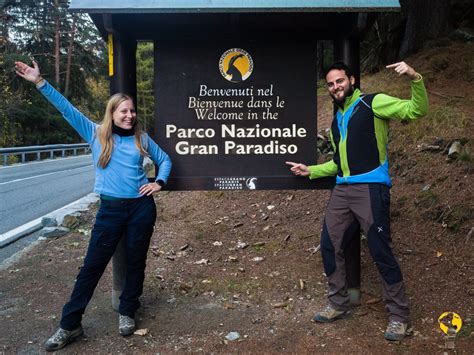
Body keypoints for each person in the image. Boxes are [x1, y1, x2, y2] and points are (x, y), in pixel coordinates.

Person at [15, 60, 172, 351]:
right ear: (112, 113)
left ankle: (127, 311)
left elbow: (165, 159)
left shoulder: (142, 138)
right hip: (110, 210)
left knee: (136, 262)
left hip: (141, 208)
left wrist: (158, 182)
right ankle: (70, 324)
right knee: (92, 267)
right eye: (124, 111)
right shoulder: (96, 133)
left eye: (132, 111)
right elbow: (66, 109)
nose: (130, 115)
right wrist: (39, 82)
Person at [286, 61, 428, 341]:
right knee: (329, 244)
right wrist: (311, 170)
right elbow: (340, 163)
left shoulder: (373, 103)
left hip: (371, 188)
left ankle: (398, 316)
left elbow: (417, 109)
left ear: (351, 79)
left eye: (339, 81)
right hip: (342, 191)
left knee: (379, 249)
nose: (335, 86)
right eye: (330, 83)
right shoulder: (336, 120)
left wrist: (415, 77)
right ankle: (338, 303)